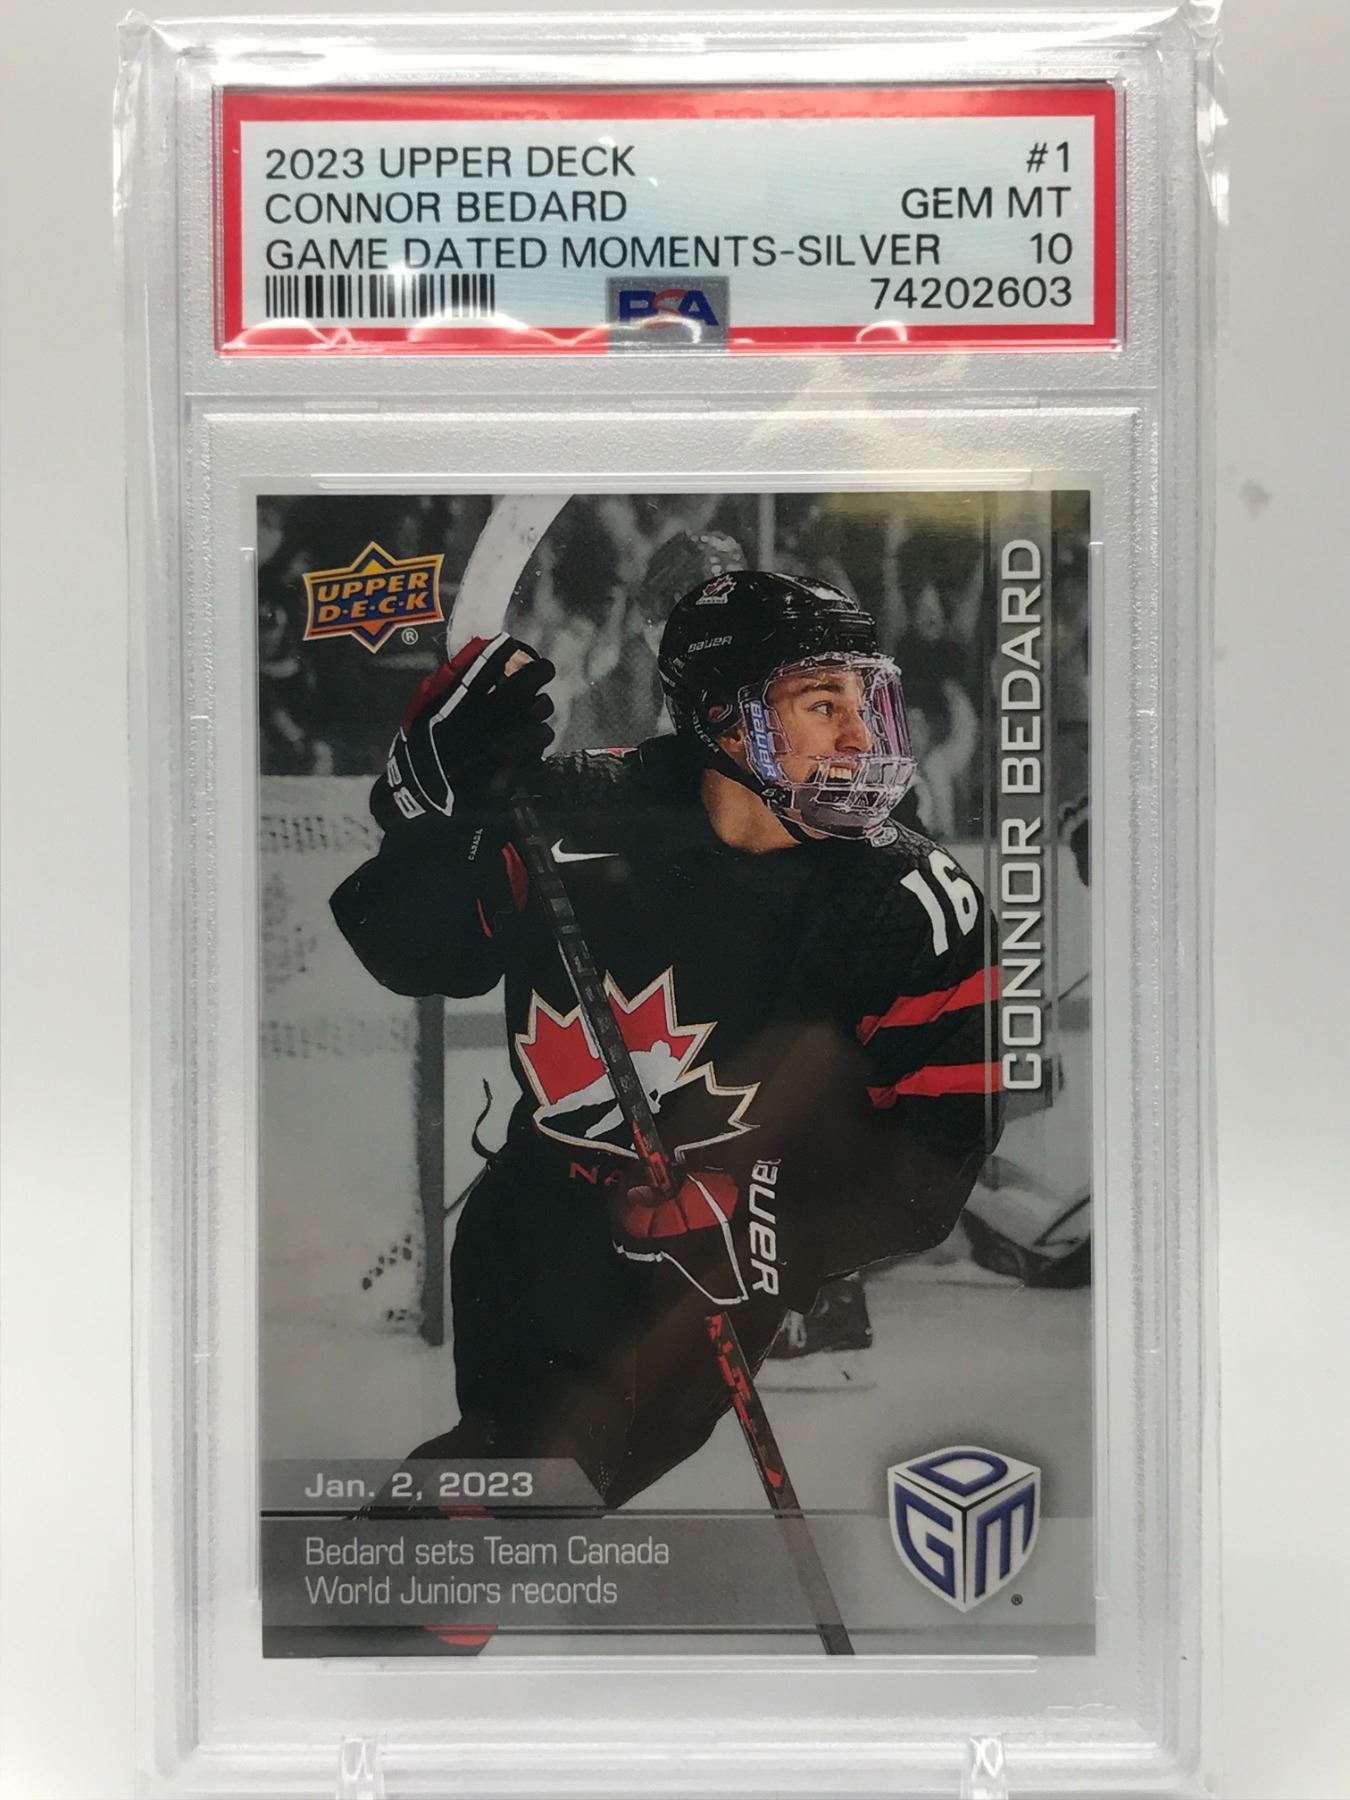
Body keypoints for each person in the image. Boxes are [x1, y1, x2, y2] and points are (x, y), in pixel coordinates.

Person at [331, 571, 1003, 1511]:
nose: (861, 738)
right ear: (726, 721)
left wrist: (756, 1217)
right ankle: (385, 1590)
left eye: (866, 703)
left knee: (535, 1482)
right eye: (823, 705)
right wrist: (432, 818)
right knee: (527, 1472)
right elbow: (409, 947)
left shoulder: (914, 904)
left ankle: (388, 1583)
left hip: (707, 1277)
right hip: (535, 1224)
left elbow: (938, 1155)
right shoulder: (573, 816)